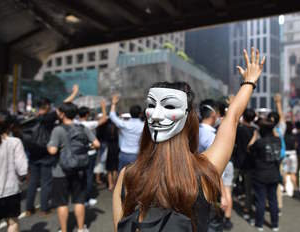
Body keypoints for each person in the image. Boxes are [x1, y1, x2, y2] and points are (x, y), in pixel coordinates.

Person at [112, 48, 265, 232]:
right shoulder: (203, 173)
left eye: (168, 105)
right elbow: (231, 118)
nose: (158, 113)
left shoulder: (128, 175)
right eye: (153, 105)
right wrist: (249, 82)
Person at [25, 85, 79, 216]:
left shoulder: (31, 117)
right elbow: (64, 104)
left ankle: (28, 208)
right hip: (47, 154)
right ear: (48, 106)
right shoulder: (49, 117)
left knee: (32, 183)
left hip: (33, 155)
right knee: (46, 182)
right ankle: (44, 208)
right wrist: (75, 92)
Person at [47, 103, 100, 232]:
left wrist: (49, 146)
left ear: (63, 114)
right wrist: (86, 148)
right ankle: (81, 228)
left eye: (59, 112)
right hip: (79, 169)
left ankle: (64, 230)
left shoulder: (58, 129)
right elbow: (97, 144)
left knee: (62, 203)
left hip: (61, 171)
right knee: (79, 201)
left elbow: (53, 151)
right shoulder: (82, 128)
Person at [198, 99, 233, 231]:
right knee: (212, 222)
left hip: (195, 181)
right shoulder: (212, 136)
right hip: (210, 184)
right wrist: (223, 194)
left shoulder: (194, 131)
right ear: (214, 115)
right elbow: (215, 170)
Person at [250, 119, 281, 231]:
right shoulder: (278, 141)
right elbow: (276, 136)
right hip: (274, 175)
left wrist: (255, 135)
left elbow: (249, 148)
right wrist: (272, 128)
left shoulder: (259, 143)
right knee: (273, 200)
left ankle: (259, 224)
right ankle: (275, 224)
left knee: (261, 200)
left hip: (260, 175)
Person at [0, 111, 28, 232]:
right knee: (12, 223)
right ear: (10, 126)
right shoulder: (15, 142)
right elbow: (22, 169)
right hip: (10, 191)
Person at [76, 101, 108, 207]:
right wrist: (103, 108)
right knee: (89, 176)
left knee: (80, 175)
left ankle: (79, 197)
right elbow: (104, 119)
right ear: (86, 115)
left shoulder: (75, 123)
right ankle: (87, 199)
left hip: (78, 153)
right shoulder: (89, 124)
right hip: (90, 152)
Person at [231, 108, 257, 222]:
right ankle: (247, 210)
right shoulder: (255, 131)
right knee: (248, 188)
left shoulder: (238, 129)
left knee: (229, 184)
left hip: (237, 160)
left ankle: (225, 203)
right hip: (249, 162)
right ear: (253, 118)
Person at [109, 101, 144, 171]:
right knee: (135, 177)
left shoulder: (125, 124)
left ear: (130, 113)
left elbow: (112, 116)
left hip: (124, 154)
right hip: (136, 154)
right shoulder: (143, 125)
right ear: (140, 114)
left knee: (122, 177)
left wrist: (113, 104)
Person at [268, 94, 286, 215]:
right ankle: (277, 205)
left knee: (267, 183)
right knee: (276, 183)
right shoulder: (280, 129)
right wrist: (278, 103)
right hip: (279, 159)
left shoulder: (264, 130)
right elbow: (282, 119)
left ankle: (269, 204)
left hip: (266, 160)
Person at [282, 121, 298, 195]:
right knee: (293, 173)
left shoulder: (283, 136)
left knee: (284, 172)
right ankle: (294, 189)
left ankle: (284, 188)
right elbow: (296, 146)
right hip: (293, 154)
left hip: (285, 154)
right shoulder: (294, 136)